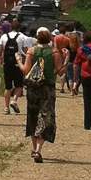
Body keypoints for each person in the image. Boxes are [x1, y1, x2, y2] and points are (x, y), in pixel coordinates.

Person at [21, 26, 57, 161]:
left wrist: (19, 60)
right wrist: (66, 59)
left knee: (33, 115)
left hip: (33, 88)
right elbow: (59, 71)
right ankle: (38, 150)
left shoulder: (31, 51)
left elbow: (26, 70)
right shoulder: (54, 52)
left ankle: (33, 147)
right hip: (48, 88)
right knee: (46, 116)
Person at [0, 24, 24, 114]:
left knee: (8, 87)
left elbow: (0, 49)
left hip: (7, 64)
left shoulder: (4, 36)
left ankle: (6, 107)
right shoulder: (21, 37)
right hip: (17, 64)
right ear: (19, 28)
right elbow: (25, 50)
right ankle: (14, 100)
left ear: (10, 28)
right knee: (19, 85)